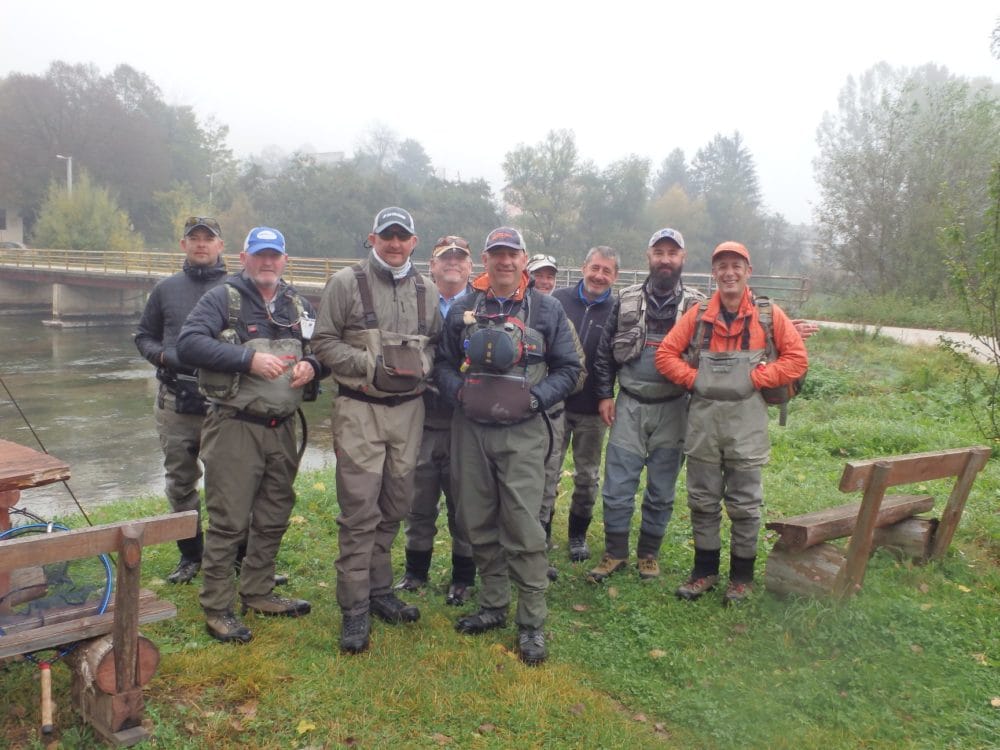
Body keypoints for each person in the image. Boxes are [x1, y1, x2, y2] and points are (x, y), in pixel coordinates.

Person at [434, 227, 582, 665]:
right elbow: (441, 363)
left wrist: (537, 398)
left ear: (523, 260)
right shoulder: (464, 307)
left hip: (523, 432)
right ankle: (493, 605)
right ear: (485, 259)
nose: (504, 261)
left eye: (511, 254)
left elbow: (571, 368)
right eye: (496, 254)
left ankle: (532, 623)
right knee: (476, 519)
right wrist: (457, 393)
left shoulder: (548, 309)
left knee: (522, 525)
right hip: (471, 430)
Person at [177, 226, 326, 643]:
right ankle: (217, 606)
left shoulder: (297, 303)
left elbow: (321, 351)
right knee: (228, 521)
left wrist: (313, 367)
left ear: (284, 260)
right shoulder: (222, 298)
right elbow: (188, 344)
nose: (267, 262)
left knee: (274, 513)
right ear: (243, 258)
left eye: (274, 255)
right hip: (235, 428)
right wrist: (247, 359)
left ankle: (258, 591)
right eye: (259, 255)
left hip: (283, 430)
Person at [312, 207, 441, 654]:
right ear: (372, 238)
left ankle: (381, 590)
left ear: (414, 241)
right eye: (387, 236)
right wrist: (370, 366)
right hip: (360, 410)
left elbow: (437, 347)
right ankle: (354, 609)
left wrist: (422, 365)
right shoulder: (345, 283)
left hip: (409, 413)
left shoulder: (427, 289)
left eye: (402, 236)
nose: (394, 243)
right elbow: (323, 343)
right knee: (359, 510)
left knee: (395, 504)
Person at [655, 241, 808, 605]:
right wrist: (694, 380)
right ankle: (703, 572)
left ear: (748, 271)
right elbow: (665, 355)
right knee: (702, 501)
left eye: (736, 265)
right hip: (703, 422)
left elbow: (797, 359)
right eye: (722, 266)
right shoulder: (697, 316)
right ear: (714, 273)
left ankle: (741, 577)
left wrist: (760, 378)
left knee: (745, 504)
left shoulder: (768, 315)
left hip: (747, 423)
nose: (729, 272)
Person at [587, 228, 705, 583]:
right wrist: (605, 394)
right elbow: (604, 353)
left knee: (662, 488)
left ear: (683, 258)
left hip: (675, 408)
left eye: (672, 253)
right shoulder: (624, 299)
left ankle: (649, 554)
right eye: (659, 252)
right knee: (617, 485)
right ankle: (615, 552)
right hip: (630, 406)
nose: (665, 259)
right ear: (648, 257)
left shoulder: (700, 306)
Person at [134, 216, 227, 584]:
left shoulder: (237, 288)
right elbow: (143, 336)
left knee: (230, 483)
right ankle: (191, 556)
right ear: (183, 244)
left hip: (226, 404)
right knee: (180, 482)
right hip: (176, 400)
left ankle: (233, 556)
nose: (201, 244)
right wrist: (163, 356)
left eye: (209, 238)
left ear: (221, 246)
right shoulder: (165, 289)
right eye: (194, 238)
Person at [394, 235, 476, 605]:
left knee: (465, 504)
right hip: (421, 416)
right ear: (433, 264)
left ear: (471, 266)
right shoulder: (416, 299)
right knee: (418, 501)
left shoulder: (483, 303)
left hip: (466, 421)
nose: (453, 263)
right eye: (446, 258)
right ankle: (415, 571)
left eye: (460, 258)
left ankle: (463, 576)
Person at [551, 246, 620, 562]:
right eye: (595, 268)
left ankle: (578, 534)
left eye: (607, 271)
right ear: (583, 267)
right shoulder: (558, 301)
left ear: (615, 276)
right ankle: (542, 529)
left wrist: (610, 394)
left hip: (594, 406)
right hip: (556, 402)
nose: (599, 275)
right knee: (546, 470)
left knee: (587, 475)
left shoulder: (619, 310)